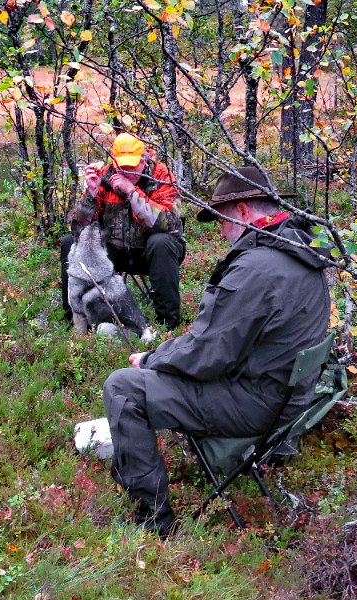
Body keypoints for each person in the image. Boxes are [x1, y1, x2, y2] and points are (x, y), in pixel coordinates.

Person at [102, 166, 331, 538]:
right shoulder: (302, 248)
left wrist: (151, 359)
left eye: (221, 221)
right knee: (153, 376)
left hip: (258, 405)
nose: (220, 232)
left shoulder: (257, 269)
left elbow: (207, 355)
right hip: (287, 400)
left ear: (241, 211)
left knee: (124, 388)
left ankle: (152, 521)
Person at [61, 133, 186, 330]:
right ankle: (74, 317)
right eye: (122, 167)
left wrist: (132, 192)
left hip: (152, 253)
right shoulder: (104, 176)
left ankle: (168, 322)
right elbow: (80, 228)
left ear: (144, 159)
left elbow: (167, 223)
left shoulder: (163, 176)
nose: (127, 171)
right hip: (114, 252)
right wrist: (91, 196)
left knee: (161, 242)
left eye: (132, 166)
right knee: (70, 242)